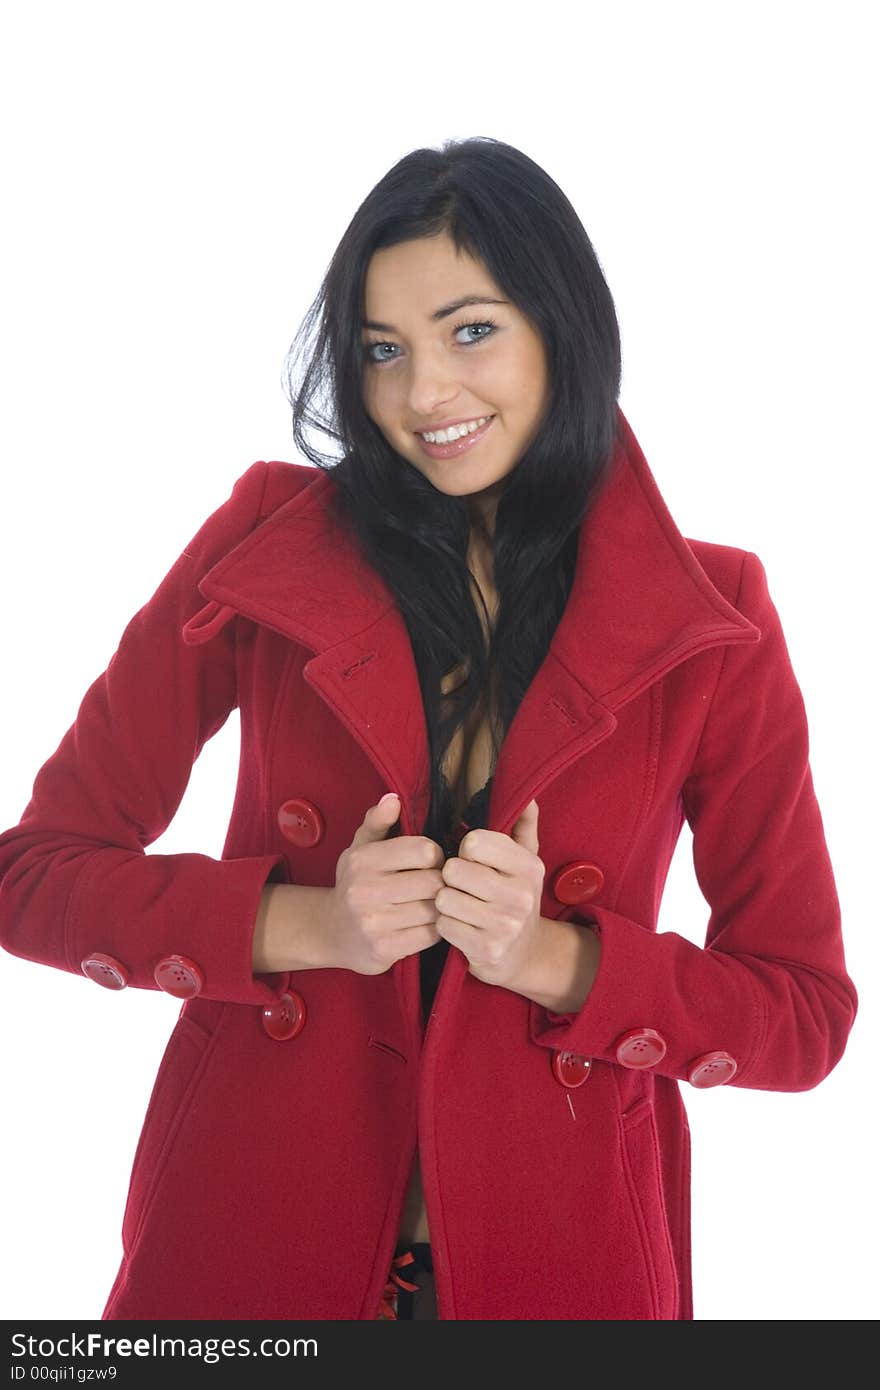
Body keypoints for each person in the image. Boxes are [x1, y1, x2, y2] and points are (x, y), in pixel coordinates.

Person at [0, 136, 857, 1322]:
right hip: (243, 1250)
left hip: (568, 1268)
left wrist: (555, 957)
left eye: (469, 331)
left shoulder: (714, 622)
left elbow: (803, 1013)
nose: (421, 397)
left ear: (563, 324)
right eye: (381, 350)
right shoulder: (262, 545)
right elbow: (34, 877)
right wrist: (304, 922)